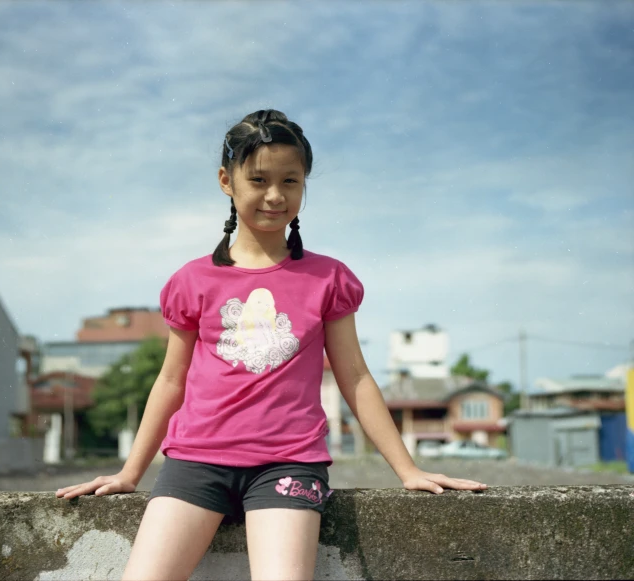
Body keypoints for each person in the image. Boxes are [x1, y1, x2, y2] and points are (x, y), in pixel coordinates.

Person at [56, 109, 488, 580]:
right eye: (258, 179)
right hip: (196, 463)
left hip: (289, 465)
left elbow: (356, 377)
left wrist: (408, 470)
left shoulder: (329, 278)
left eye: (291, 181)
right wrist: (129, 474)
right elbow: (171, 380)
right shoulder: (192, 280)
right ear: (227, 180)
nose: (275, 195)